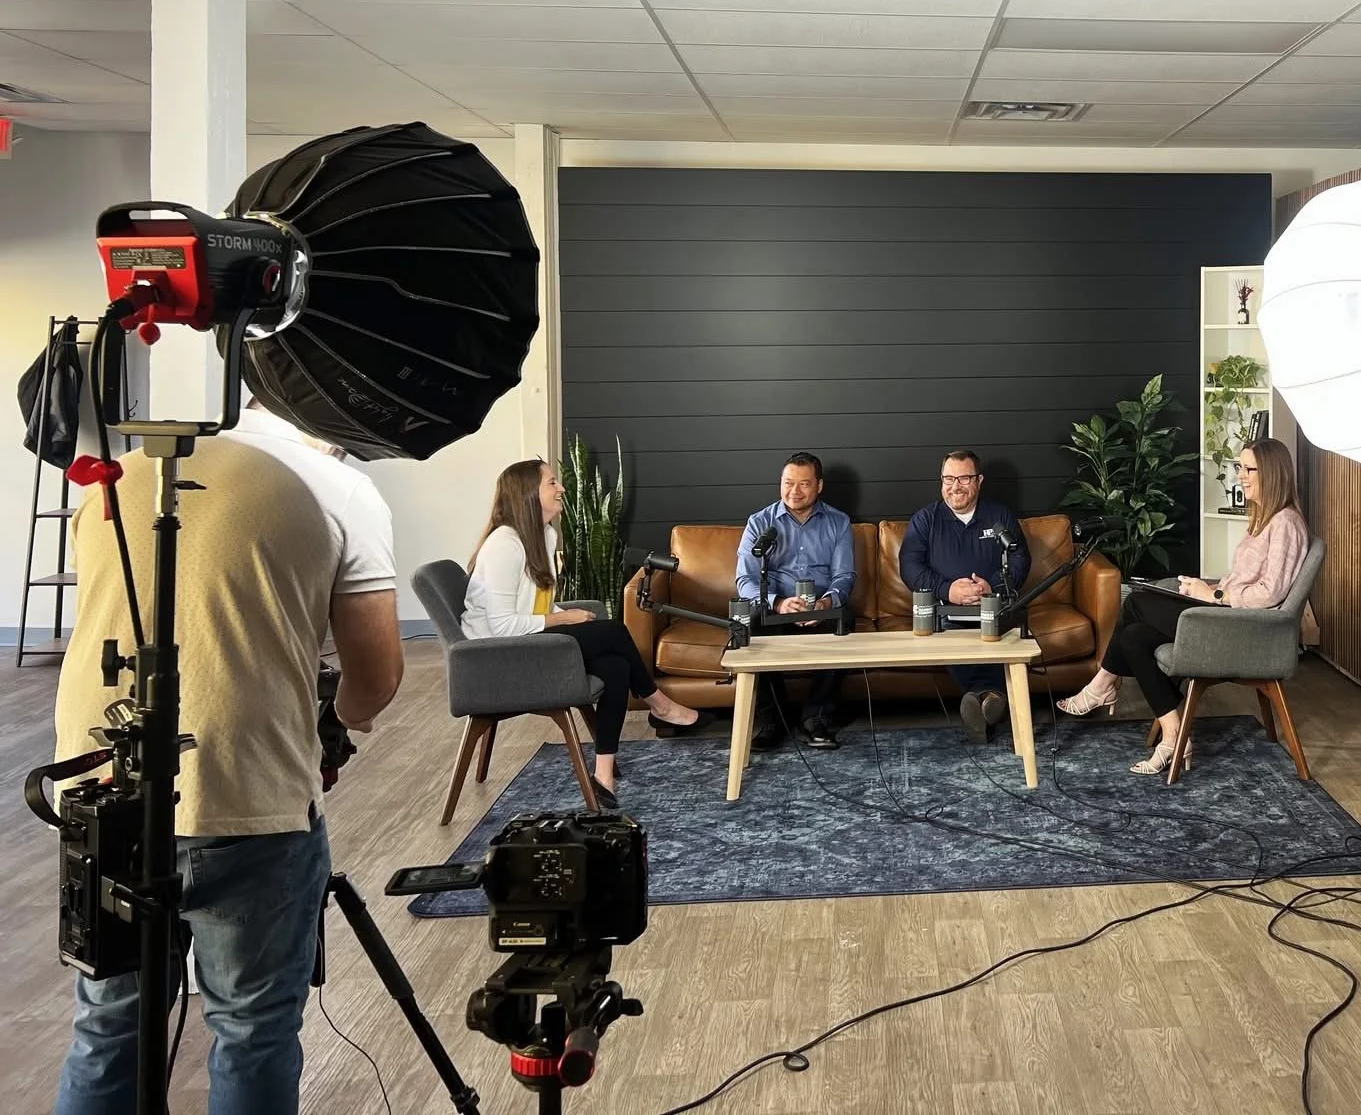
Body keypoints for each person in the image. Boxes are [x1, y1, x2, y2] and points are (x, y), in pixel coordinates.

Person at [54, 403, 408, 1115]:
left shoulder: (117, 478)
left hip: (101, 790)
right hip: (246, 793)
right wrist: (336, 724)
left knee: (109, 1022)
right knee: (252, 1030)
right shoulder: (333, 490)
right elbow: (377, 678)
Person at [1057, 438, 1309, 775]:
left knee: (1138, 600)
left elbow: (1269, 593)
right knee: (1133, 637)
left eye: (1250, 469)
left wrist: (1214, 596)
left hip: (1244, 631)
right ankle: (1175, 734)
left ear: (1274, 474)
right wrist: (1207, 588)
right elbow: (1244, 582)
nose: (1241, 476)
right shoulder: (1263, 520)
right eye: (1240, 467)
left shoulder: (1285, 525)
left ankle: (1102, 684)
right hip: (1227, 616)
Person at [463, 459, 698, 803]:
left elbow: (535, 602)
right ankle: (658, 702)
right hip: (501, 655)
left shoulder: (544, 535)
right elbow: (501, 625)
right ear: (528, 493)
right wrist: (561, 620)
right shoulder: (504, 544)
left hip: (531, 640)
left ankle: (603, 776)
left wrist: (563, 612)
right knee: (615, 631)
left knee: (616, 668)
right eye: (552, 483)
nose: (561, 489)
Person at [898, 449, 1031, 743]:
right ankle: (990, 698)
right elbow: (910, 567)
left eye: (964, 478)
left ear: (979, 480)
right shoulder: (925, 520)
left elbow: (1020, 559)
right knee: (951, 637)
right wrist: (949, 590)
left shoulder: (999, 515)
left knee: (1008, 636)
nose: (955, 486)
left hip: (994, 608)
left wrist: (991, 586)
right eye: (948, 478)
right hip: (947, 611)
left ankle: (980, 701)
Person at [736, 452, 856, 750]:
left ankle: (815, 717)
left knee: (845, 620)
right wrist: (778, 603)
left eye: (804, 484)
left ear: (819, 486)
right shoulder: (759, 522)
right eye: (788, 483)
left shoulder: (838, 522)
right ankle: (772, 720)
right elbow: (745, 580)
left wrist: (826, 603)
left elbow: (844, 576)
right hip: (776, 610)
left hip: (820, 610)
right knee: (751, 625)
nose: (794, 491)